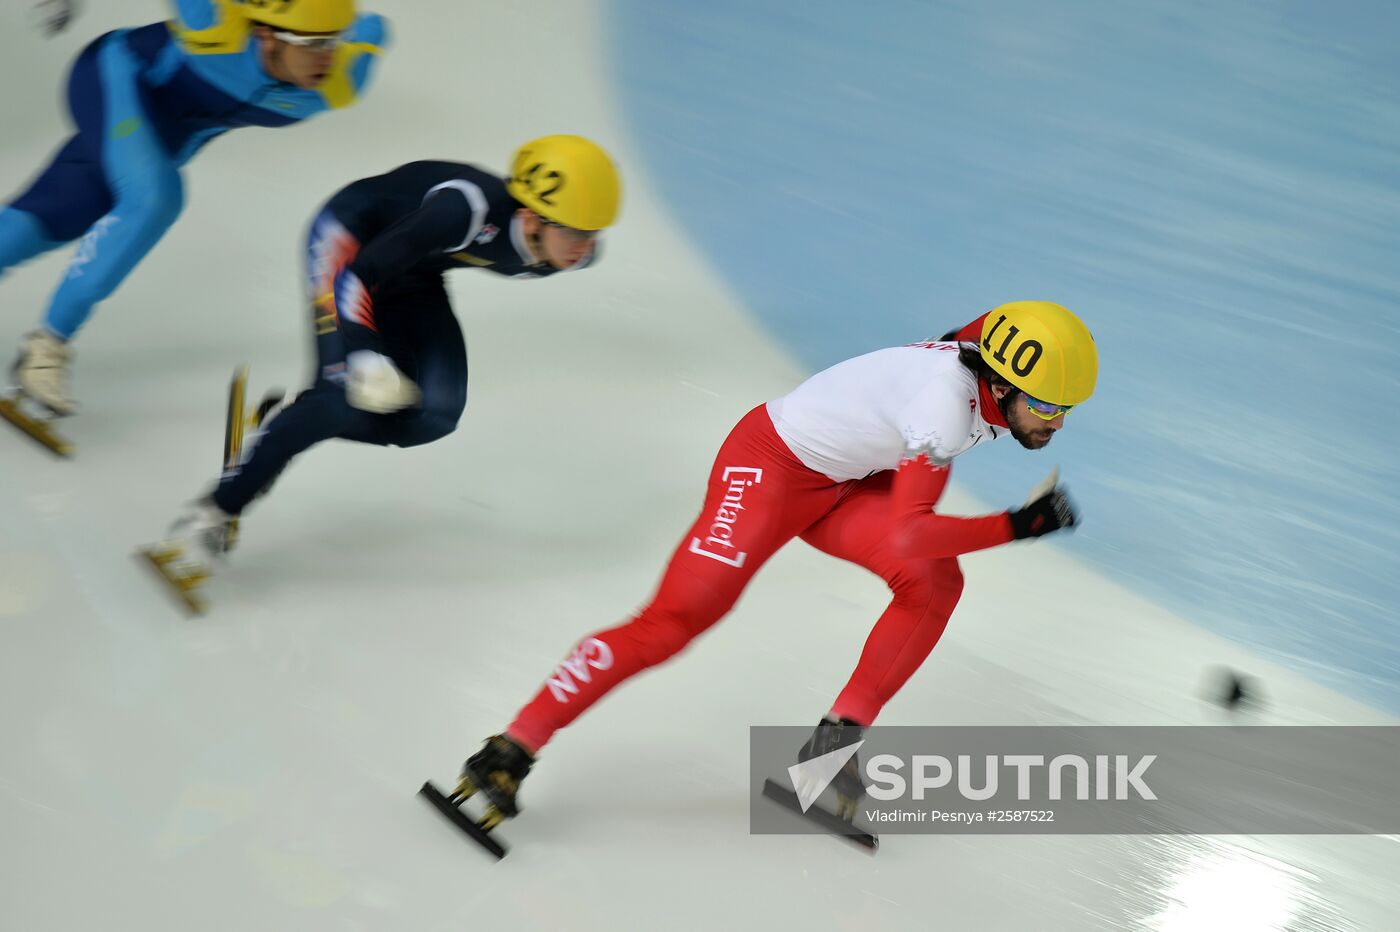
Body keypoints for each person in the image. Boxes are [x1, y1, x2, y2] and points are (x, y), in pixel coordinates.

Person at [447, 300, 1099, 830]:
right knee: (672, 623)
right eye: (1046, 406)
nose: (1057, 423)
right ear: (1001, 383)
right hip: (770, 469)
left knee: (934, 584)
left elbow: (985, 327)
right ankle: (510, 749)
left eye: (1066, 408)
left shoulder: (989, 352)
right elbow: (908, 534)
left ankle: (826, 760)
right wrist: (1019, 525)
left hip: (845, 478)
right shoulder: (942, 412)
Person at [146, 135, 622, 598]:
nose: (585, 248)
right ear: (530, 217)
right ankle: (213, 512)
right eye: (576, 232)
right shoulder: (466, 211)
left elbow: (413, 265)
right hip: (350, 247)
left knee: (435, 415)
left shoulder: (572, 252)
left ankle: (285, 426)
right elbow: (356, 277)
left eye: (594, 233)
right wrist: (367, 352)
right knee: (340, 395)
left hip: (413, 273)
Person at [0, 0, 388, 445]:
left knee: (58, 211)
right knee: (156, 197)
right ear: (264, 33)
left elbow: (375, 28)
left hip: (163, 139)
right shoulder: (214, 23)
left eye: (334, 42)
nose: (328, 57)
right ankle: (46, 348)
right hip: (114, 77)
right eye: (312, 43)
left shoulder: (341, 81)